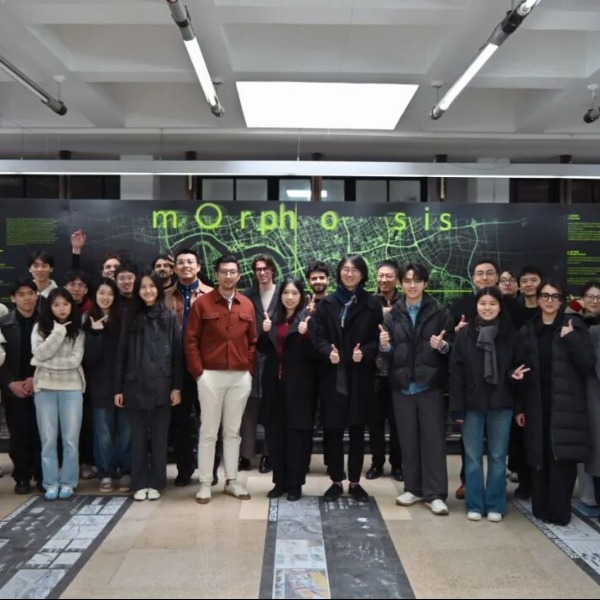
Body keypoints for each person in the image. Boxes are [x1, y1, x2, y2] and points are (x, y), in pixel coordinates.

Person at [515, 280, 595, 525]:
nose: (549, 301)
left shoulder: (574, 326)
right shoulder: (528, 329)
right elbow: (518, 367)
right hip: (536, 403)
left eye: (555, 297)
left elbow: (587, 364)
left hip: (566, 404)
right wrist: (519, 405)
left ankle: (559, 513)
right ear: (538, 299)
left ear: (562, 301)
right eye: (545, 296)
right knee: (539, 457)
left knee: (561, 458)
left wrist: (571, 339)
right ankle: (541, 509)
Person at [380, 263, 452, 515]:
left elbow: (451, 347)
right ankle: (413, 488)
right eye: (408, 281)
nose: (412, 285)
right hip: (402, 385)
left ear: (425, 284)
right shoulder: (392, 315)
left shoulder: (439, 312)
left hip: (429, 384)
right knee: (408, 440)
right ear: (401, 283)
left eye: (417, 281)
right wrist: (385, 346)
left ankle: (435, 494)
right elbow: (388, 353)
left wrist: (442, 345)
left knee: (433, 441)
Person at [185, 254, 256, 505]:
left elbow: (253, 341)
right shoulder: (202, 304)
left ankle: (232, 481)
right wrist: (199, 373)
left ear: (239, 275)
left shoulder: (246, 305)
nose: (228, 276)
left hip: (239, 376)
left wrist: (249, 370)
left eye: (232, 272)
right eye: (224, 271)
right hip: (210, 376)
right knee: (208, 431)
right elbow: (190, 341)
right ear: (216, 274)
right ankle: (205, 483)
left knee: (233, 432)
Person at [450, 286, 525, 522]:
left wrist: (514, 375)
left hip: (501, 403)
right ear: (476, 306)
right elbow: (456, 373)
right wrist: (457, 408)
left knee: (498, 457)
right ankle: (474, 503)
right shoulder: (464, 335)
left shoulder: (511, 335)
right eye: (483, 303)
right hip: (471, 404)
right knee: (472, 458)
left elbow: (517, 366)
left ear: (500, 307)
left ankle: (495, 504)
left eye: (492, 304)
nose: (487, 308)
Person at [315, 254, 382, 502]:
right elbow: (318, 337)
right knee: (332, 430)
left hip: (360, 376)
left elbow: (377, 339)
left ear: (362, 274)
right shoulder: (327, 304)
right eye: (345, 269)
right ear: (339, 273)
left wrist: (365, 352)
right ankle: (335, 480)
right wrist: (327, 352)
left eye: (355, 270)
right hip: (333, 376)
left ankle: (354, 482)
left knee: (356, 431)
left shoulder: (372, 304)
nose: (350, 273)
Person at [114, 270, 182, 501]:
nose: (148, 290)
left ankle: (157, 482)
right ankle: (139, 482)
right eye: (143, 287)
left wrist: (177, 387)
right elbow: (121, 352)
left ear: (158, 289)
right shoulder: (131, 316)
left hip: (163, 385)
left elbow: (177, 355)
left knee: (160, 439)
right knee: (139, 437)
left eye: (151, 286)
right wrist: (118, 388)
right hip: (134, 385)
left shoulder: (169, 316)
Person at [258, 277, 315, 501]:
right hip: (274, 386)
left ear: (301, 296)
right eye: (285, 293)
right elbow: (262, 349)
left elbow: (316, 354)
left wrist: (306, 335)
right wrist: (264, 332)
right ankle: (279, 481)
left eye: (294, 293)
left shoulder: (308, 319)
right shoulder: (273, 319)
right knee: (275, 435)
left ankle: (295, 484)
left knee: (297, 436)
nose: (289, 297)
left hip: (299, 388)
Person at [449, 258, 500, 500]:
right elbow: (448, 342)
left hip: (500, 389)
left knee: (499, 447)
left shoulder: (507, 308)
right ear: (473, 278)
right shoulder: (461, 305)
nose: (484, 278)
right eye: (479, 273)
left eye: (489, 273)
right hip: (471, 387)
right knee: (469, 444)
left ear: (497, 277)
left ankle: (496, 490)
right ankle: (467, 483)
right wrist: (456, 333)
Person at [165, 248, 214, 487]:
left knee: (210, 419)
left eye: (190, 262)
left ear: (198, 267)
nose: (186, 266)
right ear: (175, 268)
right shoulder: (165, 296)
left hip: (206, 366)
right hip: (175, 365)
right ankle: (184, 469)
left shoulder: (211, 295)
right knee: (180, 421)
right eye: (181, 262)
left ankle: (210, 470)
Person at [32, 287, 85, 501]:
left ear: (72, 306)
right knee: (48, 440)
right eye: (56, 305)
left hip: (72, 388)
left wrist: (43, 363)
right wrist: (58, 332)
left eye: (65, 304)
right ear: (49, 307)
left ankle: (69, 482)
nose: (61, 308)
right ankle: (51, 483)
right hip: (44, 388)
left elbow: (75, 361)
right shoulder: (39, 328)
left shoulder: (78, 331)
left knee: (70, 440)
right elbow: (38, 353)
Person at [84, 277, 130, 493]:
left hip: (124, 383)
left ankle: (126, 471)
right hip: (99, 385)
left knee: (126, 432)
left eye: (110, 294)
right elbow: (88, 359)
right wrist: (95, 332)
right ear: (95, 295)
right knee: (103, 433)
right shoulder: (88, 320)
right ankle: (105, 472)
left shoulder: (124, 319)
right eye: (101, 293)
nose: (105, 297)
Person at [0, 278, 42, 494]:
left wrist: (35, 379)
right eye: (22, 294)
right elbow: (1, 358)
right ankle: (22, 477)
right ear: (13, 298)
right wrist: (10, 383)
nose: (27, 298)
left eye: (31, 293)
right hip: (13, 388)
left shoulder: (46, 320)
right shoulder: (4, 323)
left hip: (41, 384)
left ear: (37, 295)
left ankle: (42, 475)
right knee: (18, 435)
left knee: (42, 433)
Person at [240, 254, 279, 474]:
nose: (262, 272)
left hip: (275, 358)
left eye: (266, 268)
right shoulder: (247, 295)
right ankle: (246, 455)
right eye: (258, 269)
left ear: (273, 270)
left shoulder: (283, 293)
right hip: (251, 356)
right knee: (249, 409)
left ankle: (269, 454)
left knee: (272, 408)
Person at [367, 260, 403, 482]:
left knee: (398, 422)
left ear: (397, 279)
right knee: (375, 422)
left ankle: (398, 465)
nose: (384, 280)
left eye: (389, 276)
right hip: (374, 371)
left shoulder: (405, 302)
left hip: (398, 371)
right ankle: (377, 463)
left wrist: (392, 315)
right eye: (381, 275)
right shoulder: (370, 302)